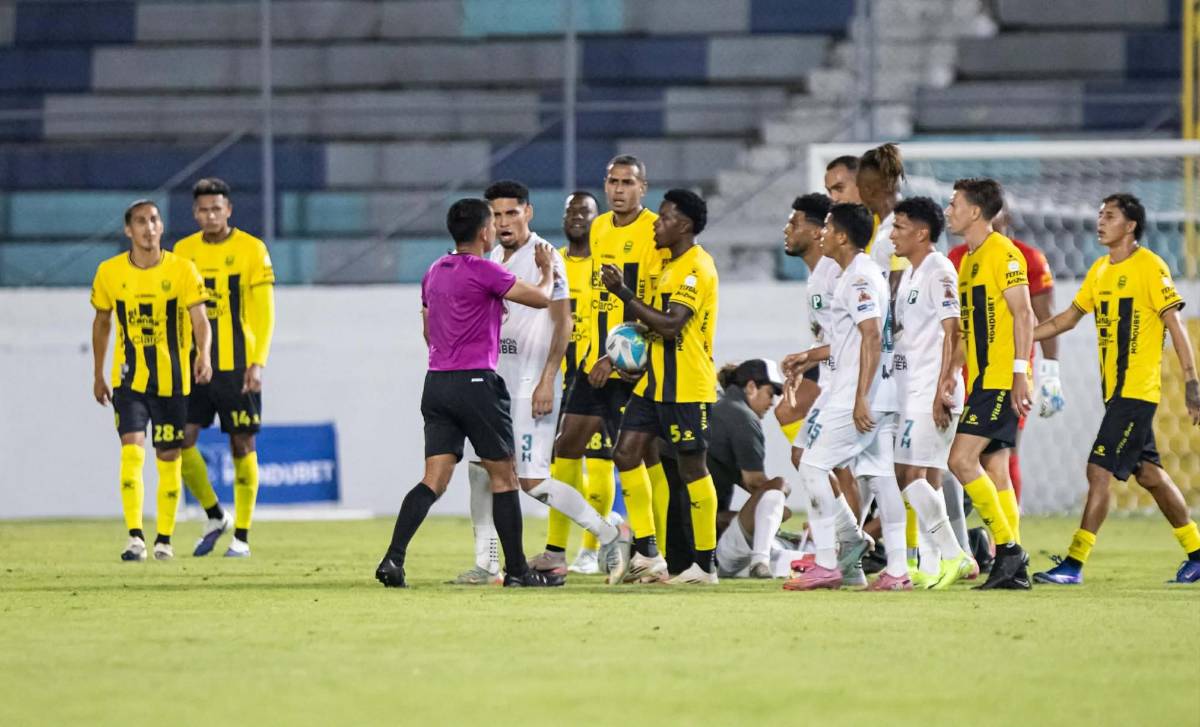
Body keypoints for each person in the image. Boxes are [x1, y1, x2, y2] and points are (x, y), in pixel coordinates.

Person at [375, 199, 562, 588]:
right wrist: (546, 270)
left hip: (436, 383)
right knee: (504, 477)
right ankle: (518, 571)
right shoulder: (486, 270)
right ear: (483, 232)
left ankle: (393, 559)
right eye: (492, 222)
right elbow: (542, 298)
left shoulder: (433, 271)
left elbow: (429, 332)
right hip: (476, 383)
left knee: (434, 479)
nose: (495, 228)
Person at [452, 181, 627, 585]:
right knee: (480, 471)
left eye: (511, 213)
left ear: (528, 212)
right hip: (495, 383)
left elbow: (563, 322)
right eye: (496, 215)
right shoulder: (493, 256)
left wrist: (548, 379)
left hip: (531, 384)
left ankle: (607, 532)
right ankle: (487, 564)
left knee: (532, 481)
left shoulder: (546, 257)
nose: (504, 222)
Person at [1030, 193, 1200, 585]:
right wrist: (1020, 339)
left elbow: (1175, 326)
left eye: (1110, 216)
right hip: (1115, 394)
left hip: (1136, 393)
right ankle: (1197, 552)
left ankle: (1074, 563)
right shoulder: (1100, 270)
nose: (1101, 222)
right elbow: (1067, 319)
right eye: (1100, 215)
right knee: (1150, 475)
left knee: (1098, 470)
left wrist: (1192, 381)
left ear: (1131, 225)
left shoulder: (1150, 267)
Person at [543, 155, 670, 575]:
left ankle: (652, 552)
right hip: (591, 365)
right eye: (613, 181)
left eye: (627, 182)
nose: (619, 189)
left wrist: (617, 358)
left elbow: (653, 301)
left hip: (631, 365)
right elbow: (603, 299)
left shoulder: (654, 231)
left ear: (642, 187)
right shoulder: (599, 229)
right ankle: (557, 552)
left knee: (638, 456)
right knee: (566, 448)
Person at [600, 189, 720, 585]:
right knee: (625, 452)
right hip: (652, 383)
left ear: (684, 226)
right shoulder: (667, 266)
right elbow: (651, 323)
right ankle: (649, 552)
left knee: (691, 469)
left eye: (665, 218)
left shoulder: (696, 267)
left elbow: (671, 325)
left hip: (686, 385)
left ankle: (705, 566)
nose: (656, 223)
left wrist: (623, 292)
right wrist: (625, 356)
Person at [783, 203, 905, 591]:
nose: (822, 233)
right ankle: (897, 570)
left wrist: (860, 398)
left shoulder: (857, 278)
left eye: (827, 227)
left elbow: (871, 336)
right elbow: (852, 339)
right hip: (878, 391)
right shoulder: (858, 274)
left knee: (812, 466)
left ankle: (826, 562)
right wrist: (810, 356)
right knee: (881, 476)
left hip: (857, 392)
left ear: (841, 236)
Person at [91, 199, 212, 561]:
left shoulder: (183, 270)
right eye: (141, 221)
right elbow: (102, 323)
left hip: (173, 381)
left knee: (168, 458)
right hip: (129, 381)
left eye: (154, 220)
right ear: (128, 230)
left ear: (161, 227)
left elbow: (200, 319)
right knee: (131, 451)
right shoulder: (109, 272)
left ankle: (164, 540)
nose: (149, 227)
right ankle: (135, 538)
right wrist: (98, 373)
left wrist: (204, 355)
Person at [173, 178, 276, 558]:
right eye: (203, 210)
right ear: (195, 213)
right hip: (195, 365)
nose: (210, 215)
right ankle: (216, 515)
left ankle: (242, 537)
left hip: (238, 366)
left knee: (242, 443)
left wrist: (258, 362)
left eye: (216, 208)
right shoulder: (183, 252)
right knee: (178, 440)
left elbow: (265, 312)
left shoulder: (252, 249)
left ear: (228, 210)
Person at [943, 178, 1035, 590]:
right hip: (981, 380)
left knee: (961, 461)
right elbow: (969, 330)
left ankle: (1010, 551)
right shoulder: (968, 261)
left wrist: (1019, 373)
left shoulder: (1004, 253)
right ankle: (1011, 566)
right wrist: (951, 373)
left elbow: (1025, 314)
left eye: (954, 204)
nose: (949, 211)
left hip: (1000, 380)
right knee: (996, 469)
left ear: (976, 211)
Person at [779, 193, 871, 586]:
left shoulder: (838, 274)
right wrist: (809, 360)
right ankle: (851, 549)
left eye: (795, 222)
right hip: (835, 381)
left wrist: (811, 355)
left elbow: (862, 336)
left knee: (830, 465)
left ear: (820, 231)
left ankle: (842, 554)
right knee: (807, 456)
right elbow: (838, 337)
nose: (787, 229)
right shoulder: (821, 276)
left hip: (850, 385)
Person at [948, 207, 1062, 503]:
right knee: (966, 458)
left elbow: (1042, 316)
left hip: (1009, 371)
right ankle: (993, 528)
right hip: (966, 371)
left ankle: (1007, 527)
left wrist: (1050, 374)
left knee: (1002, 453)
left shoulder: (1027, 258)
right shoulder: (958, 258)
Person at [889, 196, 973, 589]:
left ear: (922, 233)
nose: (892, 235)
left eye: (900, 227)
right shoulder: (911, 272)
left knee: (907, 474)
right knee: (925, 476)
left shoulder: (939, 270)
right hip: (914, 388)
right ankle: (932, 562)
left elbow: (954, 330)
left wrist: (945, 384)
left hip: (931, 388)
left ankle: (956, 555)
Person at [555, 191, 622, 575]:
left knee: (599, 465)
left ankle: (590, 551)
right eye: (571, 211)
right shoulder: (554, 264)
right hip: (564, 377)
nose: (577, 217)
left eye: (585, 211)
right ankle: (589, 532)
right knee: (562, 466)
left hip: (599, 376)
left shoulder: (605, 264)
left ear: (598, 219)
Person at [706, 360, 791, 579]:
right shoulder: (742, 415)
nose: (772, 403)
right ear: (751, 387)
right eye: (770, 393)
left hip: (687, 538)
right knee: (779, 486)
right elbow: (755, 482)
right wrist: (780, 508)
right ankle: (760, 561)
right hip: (712, 544)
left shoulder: (719, 408)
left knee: (782, 546)